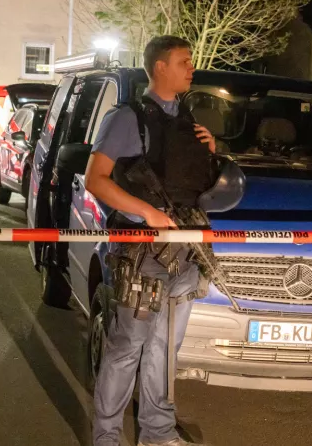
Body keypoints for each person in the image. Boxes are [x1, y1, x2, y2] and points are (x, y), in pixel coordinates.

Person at [87, 36, 216, 446]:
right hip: (143, 252)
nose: (190, 68)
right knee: (127, 348)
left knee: (163, 350)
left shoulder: (187, 119)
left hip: (184, 252)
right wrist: (146, 213)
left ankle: (157, 434)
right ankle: (107, 438)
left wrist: (212, 152)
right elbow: (96, 180)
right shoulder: (127, 118)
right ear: (160, 67)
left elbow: (194, 185)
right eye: (183, 61)